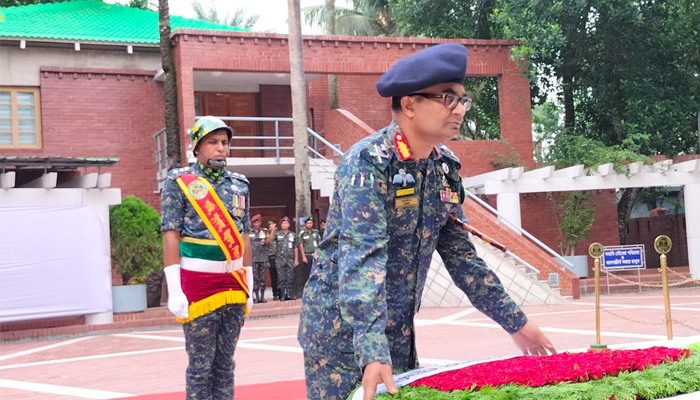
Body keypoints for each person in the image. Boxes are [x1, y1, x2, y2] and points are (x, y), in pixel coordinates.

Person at [297, 43, 556, 400]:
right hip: (342, 338)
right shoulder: (369, 163)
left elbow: (463, 258)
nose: (459, 110)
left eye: (463, 100)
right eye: (448, 98)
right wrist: (372, 349)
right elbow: (361, 259)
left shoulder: (443, 168)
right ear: (409, 104)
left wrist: (517, 322)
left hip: (398, 334)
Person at [161, 116, 253, 400]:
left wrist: (248, 281)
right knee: (201, 367)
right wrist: (174, 289)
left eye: (224, 142)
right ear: (197, 148)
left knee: (226, 365)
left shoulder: (239, 184)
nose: (220, 148)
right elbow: (170, 235)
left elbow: (245, 235)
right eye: (212, 142)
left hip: (233, 285)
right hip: (198, 286)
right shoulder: (180, 182)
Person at [294, 215, 322, 298]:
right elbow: (301, 245)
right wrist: (303, 256)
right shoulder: (302, 233)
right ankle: (306, 291)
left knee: (316, 274)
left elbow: (319, 243)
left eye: (311, 223)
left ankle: (316, 291)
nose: (309, 224)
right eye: (308, 223)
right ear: (305, 224)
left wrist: (319, 255)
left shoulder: (316, 232)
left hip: (315, 256)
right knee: (306, 275)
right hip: (307, 256)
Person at [273, 216, 296, 300]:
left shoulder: (292, 235)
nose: (285, 225)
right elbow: (270, 241)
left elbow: (295, 247)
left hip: (290, 259)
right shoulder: (277, 234)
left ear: (289, 224)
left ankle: (290, 294)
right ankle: (282, 295)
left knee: (290, 277)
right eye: (283, 223)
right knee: (281, 278)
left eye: (286, 223)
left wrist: (296, 259)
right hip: (280, 259)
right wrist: (272, 231)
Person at [248, 214, 269, 303]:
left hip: (263, 258)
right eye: (255, 222)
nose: (257, 224)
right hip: (253, 258)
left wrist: (265, 242)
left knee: (263, 278)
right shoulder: (249, 232)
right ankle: (256, 297)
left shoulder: (264, 231)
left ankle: (262, 296)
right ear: (252, 223)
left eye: (258, 222)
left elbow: (269, 243)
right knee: (255, 278)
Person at [267, 220, 280, 300]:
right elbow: (270, 241)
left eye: (274, 226)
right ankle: (275, 293)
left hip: (280, 258)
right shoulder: (266, 235)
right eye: (270, 227)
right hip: (271, 258)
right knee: (273, 277)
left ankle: (281, 293)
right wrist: (272, 231)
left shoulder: (280, 234)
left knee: (281, 277)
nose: (272, 228)